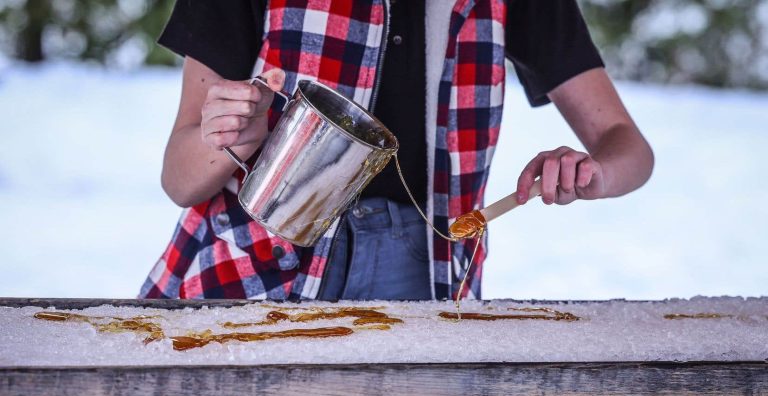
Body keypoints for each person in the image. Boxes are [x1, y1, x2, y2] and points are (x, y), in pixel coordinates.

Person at [140, 0, 653, 301]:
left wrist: (594, 173)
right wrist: (235, 139)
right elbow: (179, 178)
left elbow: (628, 149)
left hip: (425, 282)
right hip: (247, 281)